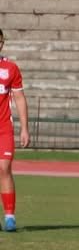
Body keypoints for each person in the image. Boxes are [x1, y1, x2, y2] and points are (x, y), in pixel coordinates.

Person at [0, 28, 26, 232]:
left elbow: (19, 98)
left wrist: (24, 128)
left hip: (4, 128)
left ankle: (10, 216)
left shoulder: (11, 68)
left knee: (4, 168)